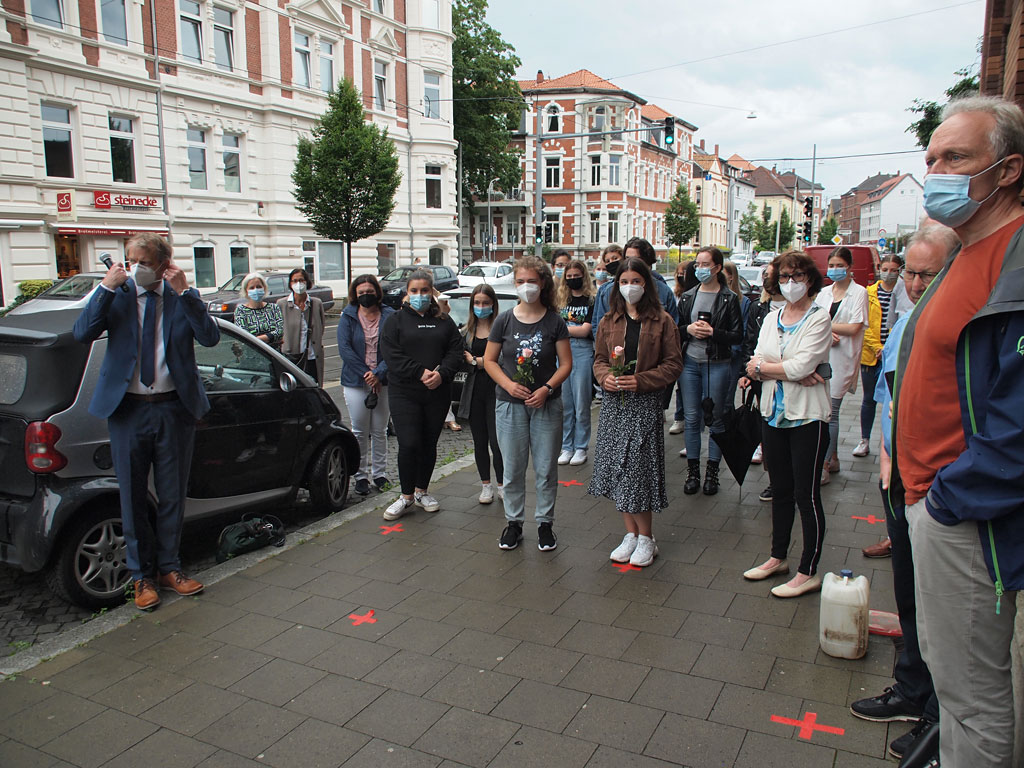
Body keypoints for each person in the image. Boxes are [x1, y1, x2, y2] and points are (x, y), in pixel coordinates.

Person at [890, 95, 1024, 767]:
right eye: (932, 158)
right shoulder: (967, 251)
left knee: (971, 698)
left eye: (956, 158)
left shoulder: (1013, 261)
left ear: (1008, 170)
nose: (936, 172)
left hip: (966, 515)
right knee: (953, 681)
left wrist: (947, 502)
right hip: (934, 498)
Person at [850, 222, 958, 763]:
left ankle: (939, 717)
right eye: (909, 273)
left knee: (943, 610)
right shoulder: (907, 317)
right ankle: (912, 688)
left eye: (925, 274)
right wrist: (887, 457)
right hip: (900, 475)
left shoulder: (958, 318)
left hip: (937, 483)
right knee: (910, 592)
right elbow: (892, 394)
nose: (913, 283)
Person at [72, 233, 219, 610]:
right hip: (128, 411)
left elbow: (210, 337)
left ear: (164, 265)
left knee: (172, 494)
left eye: (144, 262)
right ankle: (141, 577)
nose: (135, 267)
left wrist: (186, 293)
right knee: (132, 496)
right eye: (131, 259)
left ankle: (170, 568)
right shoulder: (117, 295)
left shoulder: (180, 297)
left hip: (173, 409)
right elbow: (82, 332)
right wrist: (105, 288)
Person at [743, 251, 832, 598]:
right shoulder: (771, 318)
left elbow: (799, 366)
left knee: (805, 495)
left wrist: (769, 368)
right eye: (783, 277)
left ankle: (808, 570)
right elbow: (754, 361)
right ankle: (777, 557)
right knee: (779, 490)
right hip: (773, 414)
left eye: (796, 276)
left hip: (808, 417)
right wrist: (782, 369)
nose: (789, 283)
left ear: (809, 280)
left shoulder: (819, 318)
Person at [588, 257, 683, 566]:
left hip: (643, 404)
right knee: (618, 469)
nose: (630, 287)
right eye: (624, 281)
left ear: (646, 284)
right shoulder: (609, 320)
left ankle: (647, 538)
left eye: (636, 281)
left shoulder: (662, 321)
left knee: (637, 471)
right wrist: (605, 377)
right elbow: (599, 359)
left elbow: (673, 364)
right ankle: (630, 533)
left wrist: (641, 380)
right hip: (615, 405)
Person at [484, 255, 571, 552]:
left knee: (546, 468)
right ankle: (514, 523)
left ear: (543, 283)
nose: (526, 286)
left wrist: (547, 388)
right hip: (510, 404)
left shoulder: (554, 321)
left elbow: (566, 364)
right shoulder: (504, 320)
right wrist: (508, 384)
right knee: (513, 468)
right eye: (520, 281)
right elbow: (490, 360)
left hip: (546, 404)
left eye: (531, 281)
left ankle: (545, 523)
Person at [380, 269, 464, 521]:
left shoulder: (443, 320)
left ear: (432, 292)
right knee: (408, 443)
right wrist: (419, 372)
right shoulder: (395, 321)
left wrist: (442, 374)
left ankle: (421, 492)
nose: (419, 295)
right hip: (404, 393)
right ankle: (405, 496)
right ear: (407, 293)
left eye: (424, 290)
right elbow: (391, 354)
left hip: (437, 393)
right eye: (414, 291)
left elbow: (456, 350)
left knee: (428, 443)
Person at [677, 246, 743, 496]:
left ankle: (712, 472)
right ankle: (693, 471)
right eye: (698, 264)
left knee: (716, 418)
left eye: (706, 264)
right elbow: (676, 329)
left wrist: (714, 333)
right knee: (692, 417)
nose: (700, 269)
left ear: (717, 268)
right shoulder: (687, 296)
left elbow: (737, 335)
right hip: (690, 363)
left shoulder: (729, 298)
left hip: (717, 363)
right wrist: (688, 330)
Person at [338, 274, 395, 496]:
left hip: (383, 381)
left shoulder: (389, 315)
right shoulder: (348, 316)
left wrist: (378, 374)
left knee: (380, 430)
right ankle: (360, 476)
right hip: (355, 382)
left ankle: (379, 474)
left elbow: (393, 348)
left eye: (369, 292)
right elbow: (345, 349)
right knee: (360, 431)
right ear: (355, 294)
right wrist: (367, 375)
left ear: (377, 292)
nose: (365, 295)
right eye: (361, 292)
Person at [814, 247, 868, 485]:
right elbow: (813, 319)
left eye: (839, 265)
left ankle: (825, 464)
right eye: (831, 265)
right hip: (823, 356)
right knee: (823, 410)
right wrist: (825, 330)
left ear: (849, 267)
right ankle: (833, 458)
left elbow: (855, 326)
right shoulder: (824, 293)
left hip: (843, 357)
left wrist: (827, 327)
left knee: (831, 412)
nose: (834, 270)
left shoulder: (859, 293)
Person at [738, 264, 786, 502]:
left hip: (789, 382)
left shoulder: (803, 311)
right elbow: (750, 341)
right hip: (761, 378)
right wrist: (746, 372)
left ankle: (790, 481)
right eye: (766, 275)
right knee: (768, 430)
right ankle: (775, 481)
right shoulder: (758, 307)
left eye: (772, 275)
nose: (768, 279)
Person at [457, 284, 504, 504]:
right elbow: (461, 359)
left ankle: (502, 484)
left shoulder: (501, 328)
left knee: (497, 441)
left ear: (493, 304)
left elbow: (503, 359)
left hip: (496, 389)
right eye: (477, 302)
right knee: (480, 441)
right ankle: (486, 486)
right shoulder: (466, 332)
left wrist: (477, 361)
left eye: (485, 303)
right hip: (474, 390)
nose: (481, 306)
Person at [853, 254, 902, 459]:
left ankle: (890, 442)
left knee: (894, 401)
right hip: (872, 356)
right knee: (869, 398)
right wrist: (877, 348)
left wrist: (890, 348)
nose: (889, 274)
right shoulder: (869, 293)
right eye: (885, 269)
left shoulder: (903, 292)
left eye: (894, 270)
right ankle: (864, 440)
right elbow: (864, 325)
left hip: (894, 355)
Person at [592, 237, 678, 334]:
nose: (631, 263)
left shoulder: (664, 292)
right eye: (627, 258)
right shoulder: (608, 291)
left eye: (636, 259)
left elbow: (672, 330)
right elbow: (598, 328)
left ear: (648, 262)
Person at [556, 259, 595, 466]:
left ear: (583, 276)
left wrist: (564, 329)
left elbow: (585, 331)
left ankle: (581, 447)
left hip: (582, 352)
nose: (572, 279)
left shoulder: (591, 300)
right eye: (569, 276)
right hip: (562, 351)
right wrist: (571, 330)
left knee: (581, 403)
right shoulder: (562, 299)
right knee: (565, 404)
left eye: (576, 276)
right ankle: (566, 446)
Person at [278, 268, 326, 384]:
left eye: (301, 280)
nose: (298, 284)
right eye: (294, 281)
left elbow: (321, 327)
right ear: (290, 283)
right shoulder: (282, 304)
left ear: (307, 282)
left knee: (313, 386)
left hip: (312, 357)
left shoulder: (316, 303)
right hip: (291, 358)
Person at [669, 260, 698, 437]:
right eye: (679, 273)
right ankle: (680, 417)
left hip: (696, 350)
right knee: (682, 388)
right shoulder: (677, 295)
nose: (681, 276)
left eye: (684, 273)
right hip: (681, 348)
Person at [722, 259, 753, 399]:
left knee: (727, 397)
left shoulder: (743, 302)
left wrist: (734, 350)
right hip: (716, 355)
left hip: (733, 356)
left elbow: (745, 330)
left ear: (731, 277)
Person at [233, 273, 283, 346]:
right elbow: (244, 337)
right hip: (253, 352)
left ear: (264, 288)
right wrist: (271, 337)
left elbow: (280, 331)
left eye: (259, 287)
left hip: (273, 352)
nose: (256, 290)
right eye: (252, 288)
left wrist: (255, 339)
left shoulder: (274, 308)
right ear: (246, 291)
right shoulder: (241, 311)